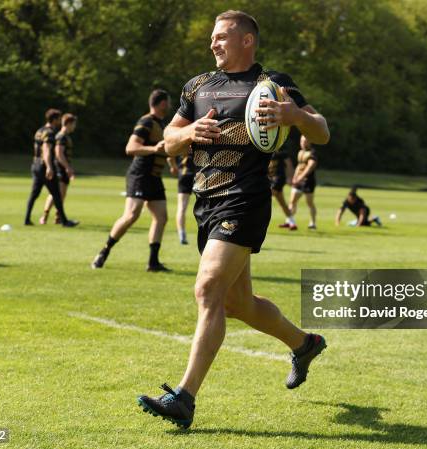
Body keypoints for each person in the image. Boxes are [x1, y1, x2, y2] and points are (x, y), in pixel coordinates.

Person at [137, 10, 330, 429]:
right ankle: (304, 343)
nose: (213, 44)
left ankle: (184, 399)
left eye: (222, 37)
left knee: (207, 289)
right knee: (237, 303)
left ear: (247, 41)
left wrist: (296, 117)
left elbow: (321, 130)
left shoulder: (273, 85)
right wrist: (187, 135)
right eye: (212, 38)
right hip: (206, 202)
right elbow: (169, 141)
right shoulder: (198, 86)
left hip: (245, 200)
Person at [91, 89, 173, 271]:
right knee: (131, 215)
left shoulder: (162, 123)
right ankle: (104, 252)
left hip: (154, 177)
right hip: (140, 174)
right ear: (161, 104)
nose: (170, 105)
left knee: (161, 217)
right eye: (168, 102)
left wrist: (171, 160)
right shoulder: (146, 121)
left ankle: (153, 262)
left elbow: (163, 147)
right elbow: (131, 147)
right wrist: (153, 150)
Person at [24, 108, 78, 227]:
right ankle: (63, 221)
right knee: (56, 194)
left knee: (34, 194)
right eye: (59, 119)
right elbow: (46, 149)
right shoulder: (50, 132)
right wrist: (49, 166)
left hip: (35, 164)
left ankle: (26, 219)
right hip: (44, 165)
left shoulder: (39, 131)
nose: (60, 121)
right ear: (54, 119)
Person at [40, 113, 78, 224]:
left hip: (61, 168)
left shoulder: (64, 136)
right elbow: (59, 154)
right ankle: (45, 216)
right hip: (59, 168)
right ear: (68, 124)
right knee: (56, 194)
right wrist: (67, 167)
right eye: (74, 124)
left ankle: (58, 217)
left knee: (61, 194)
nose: (74, 127)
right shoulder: (61, 137)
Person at [288, 135, 318, 230]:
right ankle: (290, 221)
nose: (303, 143)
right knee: (292, 201)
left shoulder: (312, 153)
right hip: (298, 181)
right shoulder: (300, 152)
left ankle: (312, 223)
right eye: (301, 141)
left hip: (308, 181)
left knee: (309, 203)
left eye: (305, 141)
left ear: (310, 142)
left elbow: (310, 167)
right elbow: (299, 166)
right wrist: (295, 177)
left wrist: (301, 177)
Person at [268, 149, 295, 229]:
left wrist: (290, 177)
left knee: (263, 196)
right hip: (271, 180)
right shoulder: (267, 153)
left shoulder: (282, 154)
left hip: (278, 179)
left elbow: (289, 164)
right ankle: (292, 222)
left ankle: (256, 219)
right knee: (282, 203)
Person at [175, 151, 196, 244]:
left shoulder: (182, 140)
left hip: (184, 174)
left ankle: (181, 234)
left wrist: (173, 167)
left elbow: (169, 157)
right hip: (198, 175)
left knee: (181, 208)